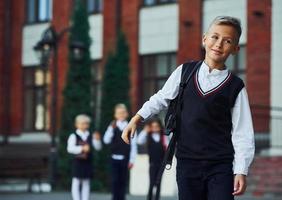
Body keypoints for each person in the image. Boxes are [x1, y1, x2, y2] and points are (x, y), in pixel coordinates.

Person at [121, 16, 255, 200]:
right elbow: (160, 99)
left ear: (235, 49)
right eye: (215, 37)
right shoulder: (184, 72)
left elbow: (243, 133)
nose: (219, 44)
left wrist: (241, 170)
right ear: (204, 39)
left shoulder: (236, 87)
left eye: (228, 41)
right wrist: (136, 119)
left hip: (220, 166)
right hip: (187, 163)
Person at [103, 103, 137, 200]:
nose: (121, 115)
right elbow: (106, 140)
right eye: (119, 113)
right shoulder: (112, 126)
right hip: (114, 158)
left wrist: (132, 160)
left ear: (126, 114)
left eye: (123, 113)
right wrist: (110, 129)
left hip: (125, 158)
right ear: (115, 115)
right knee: (114, 181)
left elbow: (133, 145)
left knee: (123, 181)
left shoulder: (130, 127)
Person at [67, 114, 102, 200]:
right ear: (77, 124)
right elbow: (70, 149)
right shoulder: (73, 136)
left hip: (88, 161)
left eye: (86, 123)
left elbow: (98, 147)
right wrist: (82, 148)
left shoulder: (90, 135)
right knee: (76, 182)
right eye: (82, 123)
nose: (84, 125)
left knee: (86, 182)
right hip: (78, 162)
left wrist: (97, 140)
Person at [137, 118, 168, 200]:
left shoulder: (163, 136)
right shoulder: (148, 135)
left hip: (161, 163)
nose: (155, 128)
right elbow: (139, 141)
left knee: (158, 183)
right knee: (151, 183)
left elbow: (167, 146)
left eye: (156, 126)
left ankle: (157, 198)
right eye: (153, 126)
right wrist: (145, 130)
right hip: (152, 163)